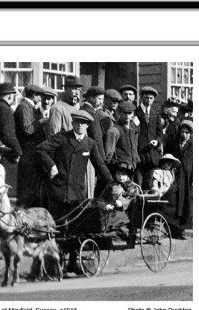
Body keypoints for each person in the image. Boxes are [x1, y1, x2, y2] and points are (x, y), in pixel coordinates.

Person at [36, 110, 113, 272]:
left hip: (77, 193)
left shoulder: (89, 143)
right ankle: (56, 263)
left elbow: (100, 165)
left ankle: (73, 261)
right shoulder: (62, 137)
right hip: (58, 189)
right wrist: (51, 165)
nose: (80, 126)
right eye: (77, 122)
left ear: (88, 126)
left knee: (76, 229)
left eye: (83, 123)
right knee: (58, 227)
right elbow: (40, 149)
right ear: (72, 123)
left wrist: (112, 182)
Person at [14, 84, 46, 208]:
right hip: (28, 152)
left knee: (31, 187)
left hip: (32, 152)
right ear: (34, 95)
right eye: (40, 96)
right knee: (27, 188)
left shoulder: (30, 107)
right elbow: (28, 130)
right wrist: (41, 122)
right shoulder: (25, 107)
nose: (41, 99)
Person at [98, 162, 141, 249]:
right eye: (118, 174)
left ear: (128, 175)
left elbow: (132, 200)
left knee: (115, 225)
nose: (121, 177)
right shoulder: (111, 185)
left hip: (126, 213)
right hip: (110, 211)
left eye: (123, 174)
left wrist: (122, 204)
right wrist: (105, 206)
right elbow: (101, 199)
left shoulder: (133, 187)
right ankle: (102, 236)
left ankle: (108, 236)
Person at [165, 119, 193, 238]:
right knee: (173, 200)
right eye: (183, 132)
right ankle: (172, 228)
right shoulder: (173, 144)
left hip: (188, 177)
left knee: (187, 202)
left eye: (187, 133)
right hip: (175, 176)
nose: (184, 135)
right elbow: (166, 156)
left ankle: (181, 230)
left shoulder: (193, 146)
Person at [134, 86, 163, 190]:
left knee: (149, 185)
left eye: (151, 98)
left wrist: (157, 141)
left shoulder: (155, 114)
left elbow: (159, 132)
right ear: (141, 97)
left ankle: (147, 206)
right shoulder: (135, 112)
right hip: (139, 154)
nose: (149, 100)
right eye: (146, 98)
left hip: (151, 156)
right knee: (138, 184)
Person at [0, 82, 22, 163]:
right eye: (13, 95)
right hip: (6, 153)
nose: (13, 98)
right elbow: (8, 134)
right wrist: (17, 151)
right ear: (10, 95)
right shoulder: (5, 109)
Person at [106, 101, 140, 173]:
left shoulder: (132, 130)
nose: (127, 116)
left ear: (133, 114)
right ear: (119, 113)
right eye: (124, 113)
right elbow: (109, 153)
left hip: (131, 167)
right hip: (119, 168)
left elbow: (134, 149)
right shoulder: (114, 130)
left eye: (129, 113)